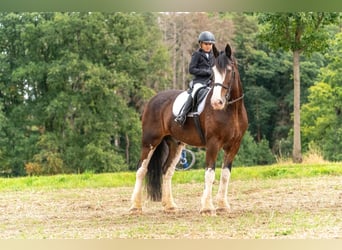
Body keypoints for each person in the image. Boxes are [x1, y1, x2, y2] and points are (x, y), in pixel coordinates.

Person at [174, 31, 216, 126]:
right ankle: (182, 115)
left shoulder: (213, 56)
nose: (208, 46)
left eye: (210, 44)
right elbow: (191, 69)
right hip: (199, 81)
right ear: (201, 43)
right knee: (195, 92)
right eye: (206, 44)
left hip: (210, 82)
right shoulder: (197, 54)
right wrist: (206, 72)